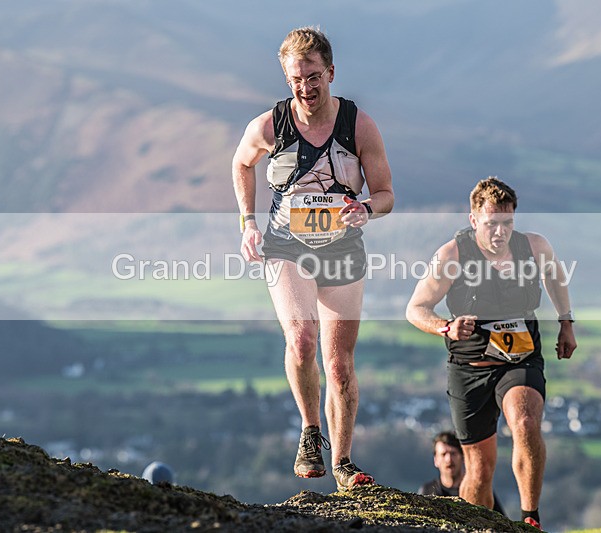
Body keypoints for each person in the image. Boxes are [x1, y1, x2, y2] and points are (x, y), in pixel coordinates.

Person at [231, 27, 394, 491]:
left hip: (342, 249)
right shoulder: (268, 126)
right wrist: (248, 223)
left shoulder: (359, 126)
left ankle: (342, 462)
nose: (305, 87)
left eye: (313, 77)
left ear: (331, 73)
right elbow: (241, 163)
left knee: (339, 366)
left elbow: (386, 193)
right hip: (286, 246)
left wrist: (366, 209)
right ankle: (309, 432)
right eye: (296, 79)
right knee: (302, 340)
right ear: (287, 79)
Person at [405, 177, 576, 530]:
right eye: (491, 224)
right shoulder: (452, 254)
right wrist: (446, 327)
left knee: (525, 422)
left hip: (519, 360)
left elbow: (555, 277)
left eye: (507, 223)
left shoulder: (534, 246)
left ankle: (530, 518)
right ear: (473, 220)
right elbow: (416, 308)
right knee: (479, 471)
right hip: (469, 368)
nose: (501, 232)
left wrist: (566, 322)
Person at [418, 431, 506, 517]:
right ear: (436, 460)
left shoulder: (479, 490)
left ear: (463, 456)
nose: (449, 459)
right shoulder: (427, 491)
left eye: (453, 453)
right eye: (443, 454)